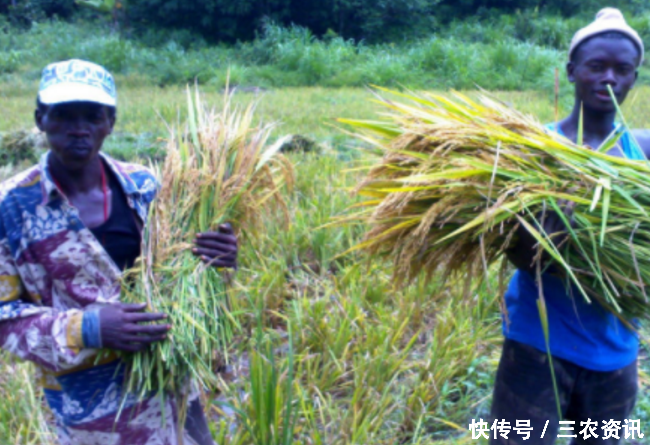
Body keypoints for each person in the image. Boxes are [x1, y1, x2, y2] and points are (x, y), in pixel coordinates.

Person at [0, 59, 238, 444]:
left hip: (174, 391)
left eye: (93, 116)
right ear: (40, 119)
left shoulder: (146, 187)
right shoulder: (10, 208)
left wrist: (220, 260)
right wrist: (90, 328)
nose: (80, 129)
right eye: (63, 115)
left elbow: (187, 279)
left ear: (110, 122)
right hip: (93, 413)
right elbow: (3, 319)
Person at [490, 8, 650, 445]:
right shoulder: (536, 150)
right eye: (597, 66)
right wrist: (553, 228)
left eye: (623, 70)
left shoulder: (643, 151)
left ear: (635, 78)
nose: (609, 79)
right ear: (572, 71)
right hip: (538, 342)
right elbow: (517, 254)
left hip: (615, 349)